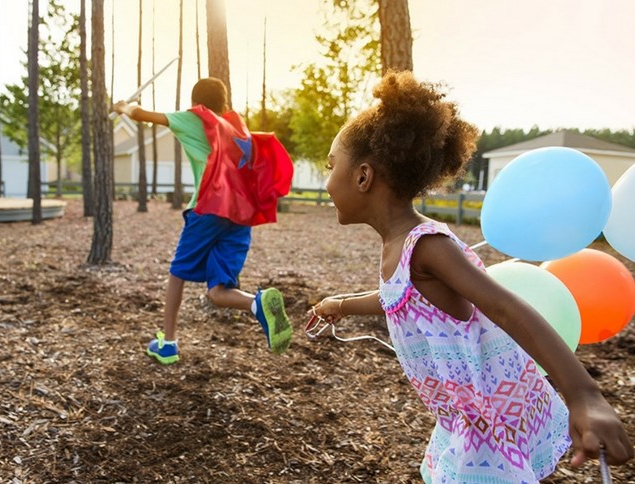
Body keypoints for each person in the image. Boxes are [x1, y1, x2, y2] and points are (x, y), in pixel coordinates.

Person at [310, 71, 633, 482]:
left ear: (363, 177)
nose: (326, 178)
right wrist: (340, 304)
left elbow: (506, 308)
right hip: (465, 414)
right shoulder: (399, 245)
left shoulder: (426, 245)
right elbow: (397, 298)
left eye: (330, 165)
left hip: (492, 414)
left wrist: (585, 395)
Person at [112, 77, 293, 365]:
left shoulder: (193, 119)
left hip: (208, 208)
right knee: (217, 291)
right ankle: (256, 304)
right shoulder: (237, 130)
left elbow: (142, 115)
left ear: (196, 103)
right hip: (240, 217)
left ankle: (168, 344)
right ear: (224, 104)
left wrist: (123, 107)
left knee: (178, 273)